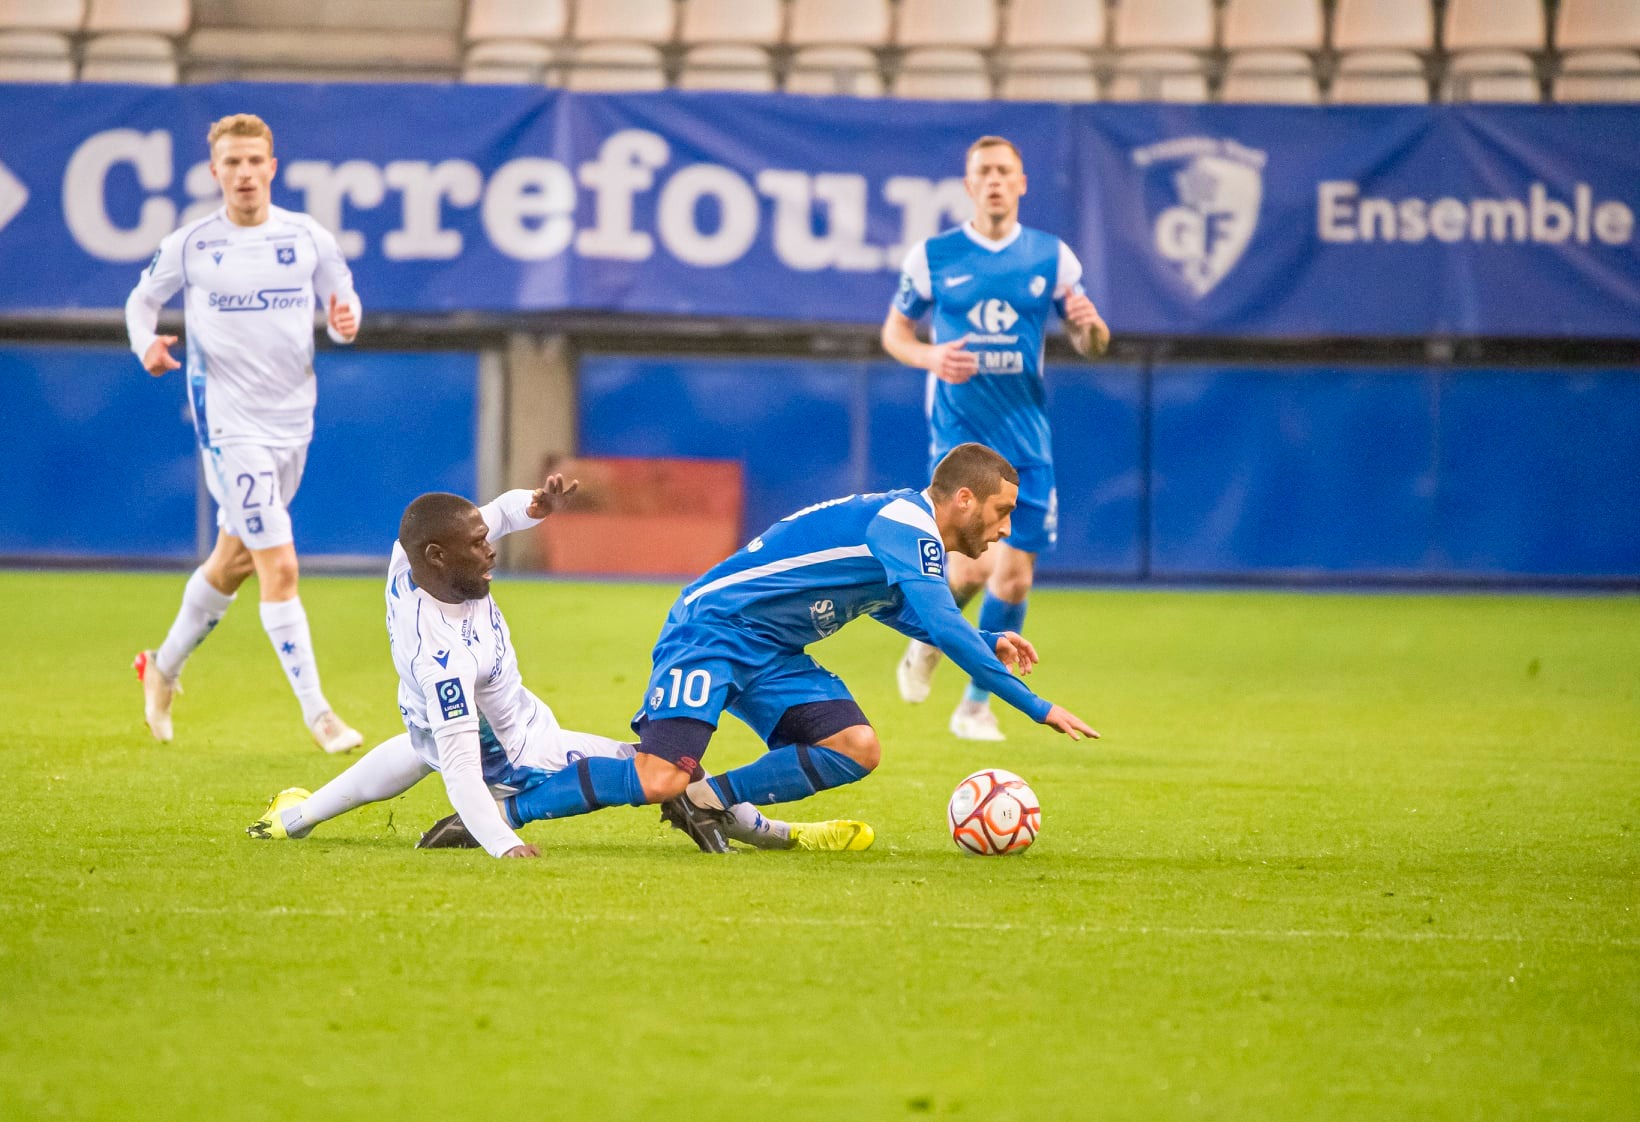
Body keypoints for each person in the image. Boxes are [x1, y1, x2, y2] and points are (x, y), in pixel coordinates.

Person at [492, 444, 1099, 840]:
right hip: (715, 630)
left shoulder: (908, 531)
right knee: (656, 776)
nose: (1006, 529)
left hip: (773, 651)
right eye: (1002, 511)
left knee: (856, 747)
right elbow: (941, 627)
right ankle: (501, 813)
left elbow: (905, 612)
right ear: (963, 498)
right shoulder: (907, 528)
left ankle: (707, 802)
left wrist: (984, 638)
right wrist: (1037, 708)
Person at [248, 477, 875, 858]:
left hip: (437, 726)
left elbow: (495, 511)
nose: (489, 548)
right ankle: (781, 832)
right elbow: (462, 768)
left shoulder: (412, 557)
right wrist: (501, 840)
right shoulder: (442, 656)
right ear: (437, 557)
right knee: (668, 770)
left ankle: (294, 819)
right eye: (476, 547)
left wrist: (537, 506)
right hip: (516, 754)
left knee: (416, 748)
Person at [125, 112, 365, 753]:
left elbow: (344, 300)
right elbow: (140, 301)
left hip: (293, 420)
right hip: (229, 425)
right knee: (278, 565)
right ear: (215, 172)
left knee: (232, 562)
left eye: (254, 161)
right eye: (231, 163)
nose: (244, 173)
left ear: (273, 166)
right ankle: (320, 715)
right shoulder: (192, 243)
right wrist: (145, 342)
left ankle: (162, 667)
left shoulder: (307, 236)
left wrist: (344, 322)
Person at [882, 134, 1111, 743]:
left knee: (1014, 579)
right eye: (983, 171)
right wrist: (931, 356)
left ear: (1022, 182)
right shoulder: (933, 257)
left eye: (1004, 171)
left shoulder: (1050, 257)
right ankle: (928, 641)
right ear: (968, 184)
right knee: (970, 574)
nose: (994, 181)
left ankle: (974, 706)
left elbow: (1093, 342)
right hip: (959, 442)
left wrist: (1092, 332)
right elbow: (895, 334)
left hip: (1027, 444)